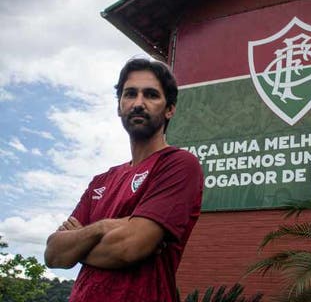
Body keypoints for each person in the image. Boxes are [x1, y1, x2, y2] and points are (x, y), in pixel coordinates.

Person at [44, 58, 204, 302]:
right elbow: (54, 254)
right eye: (130, 94)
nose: (138, 103)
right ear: (119, 106)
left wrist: (78, 246)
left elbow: (129, 247)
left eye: (151, 95)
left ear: (170, 109)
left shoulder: (178, 164)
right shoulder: (101, 181)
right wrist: (103, 228)